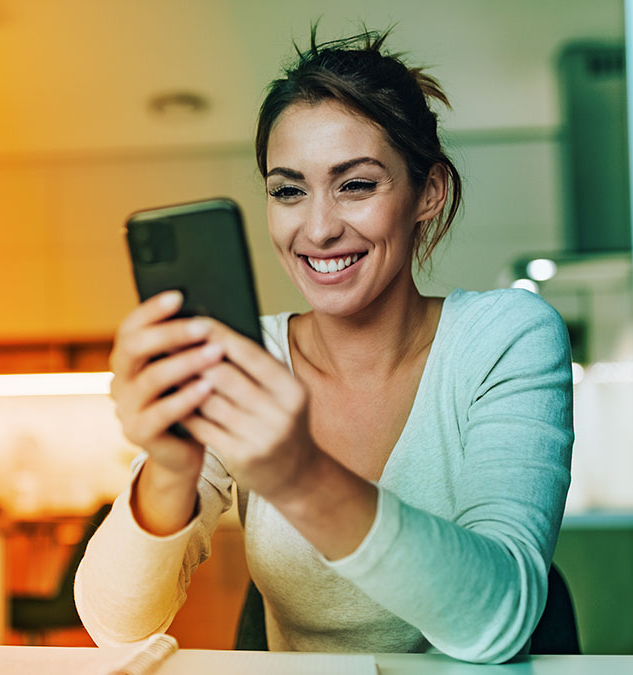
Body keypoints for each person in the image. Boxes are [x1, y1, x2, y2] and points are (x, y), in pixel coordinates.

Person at [73, 28, 574, 664]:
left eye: (357, 184)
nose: (318, 228)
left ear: (429, 193)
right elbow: (115, 628)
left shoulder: (506, 337)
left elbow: (499, 621)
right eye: (288, 190)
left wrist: (299, 474)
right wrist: (170, 466)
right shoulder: (243, 354)